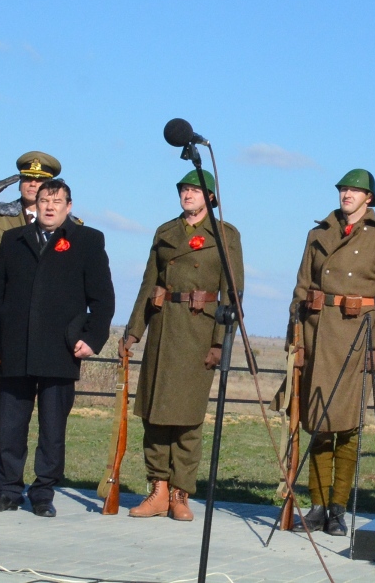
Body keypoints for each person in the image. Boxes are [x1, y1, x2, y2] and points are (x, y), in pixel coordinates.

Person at [0, 178, 114, 516]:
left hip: (60, 348)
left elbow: (102, 298)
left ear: (69, 207)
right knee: (10, 426)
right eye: (44, 201)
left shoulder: (87, 240)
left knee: (53, 429)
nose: (50, 207)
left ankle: (43, 494)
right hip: (16, 347)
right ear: (34, 206)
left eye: (57, 201)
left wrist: (92, 339)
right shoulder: (14, 240)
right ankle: (8, 490)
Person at [123, 168, 246, 521]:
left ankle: (181, 493)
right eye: (184, 190)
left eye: (195, 190)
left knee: (189, 420)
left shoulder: (224, 234)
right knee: (155, 415)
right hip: (164, 330)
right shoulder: (166, 232)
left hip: (200, 332)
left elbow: (233, 294)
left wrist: (221, 343)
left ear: (210, 197)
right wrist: (134, 332)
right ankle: (158, 489)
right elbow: (149, 283)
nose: (187, 195)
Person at [289, 168, 375, 536]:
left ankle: (338, 509)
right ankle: (318, 505)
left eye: (355, 190)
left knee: (349, 429)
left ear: (369, 198)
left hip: (357, 340)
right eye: (343, 189)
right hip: (318, 335)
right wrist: (296, 341)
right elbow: (301, 290)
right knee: (318, 426)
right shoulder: (318, 233)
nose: (347, 194)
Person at [0, 150, 63, 502]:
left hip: (45, 333)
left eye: (39, 181)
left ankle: (39, 486)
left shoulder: (68, 225)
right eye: (26, 179)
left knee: (45, 418)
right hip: (2, 326)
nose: (32, 185)